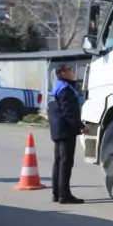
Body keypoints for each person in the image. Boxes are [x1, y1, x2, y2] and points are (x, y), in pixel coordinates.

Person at [48, 64, 86, 204]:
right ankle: (65, 195)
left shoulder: (56, 88)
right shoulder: (65, 90)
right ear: (63, 73)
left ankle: (56, 193)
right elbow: (68, 111)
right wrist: (80, 126)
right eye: (70, 70)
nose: (73, 72)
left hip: (57, 129)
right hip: (66, 130)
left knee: (58, 163)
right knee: (65, 163)